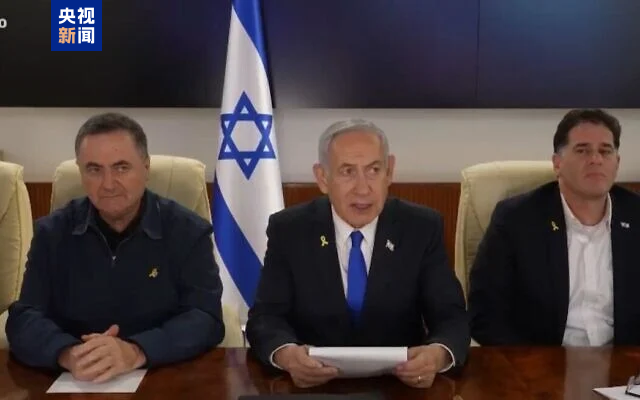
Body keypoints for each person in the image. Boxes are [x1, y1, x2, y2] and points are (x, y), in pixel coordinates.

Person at [246, 119, 469, 388]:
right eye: (347, 171)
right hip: (312, 387)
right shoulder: (290, 230)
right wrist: (288, 356)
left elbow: (451, 317)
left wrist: (436, 355)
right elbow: (266, 317)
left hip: (400, 387)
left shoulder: (421, 228)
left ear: (389, 171)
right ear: (322, 178)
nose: (363, 189)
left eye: (374, 170)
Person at [6, 112, 224, 382]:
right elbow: (24, 317)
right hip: (77, 379)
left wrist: (136, 350)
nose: (108, 184)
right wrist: (69, 353)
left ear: (146, 168)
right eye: (94, 169)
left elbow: (206, 318)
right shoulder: (52, 233)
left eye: (121, 168)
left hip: (164, 377)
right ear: (81, 172)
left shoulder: (188, 231)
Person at [469, 108, 640, 346]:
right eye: (582, 150)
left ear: (617, 163)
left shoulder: (635, 215)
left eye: (605, 151)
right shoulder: (516, 220)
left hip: (625, 361)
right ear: (557, 164)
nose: (596, 159)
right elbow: (484, 314)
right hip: (540, 360)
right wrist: (531, 364)